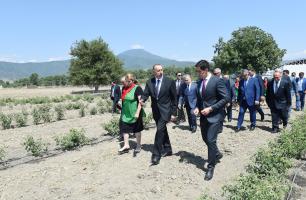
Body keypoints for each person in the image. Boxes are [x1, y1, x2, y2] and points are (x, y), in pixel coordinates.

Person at [194, 60, 228, 181]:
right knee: (205, 138)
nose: (197, 73)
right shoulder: (199, 82)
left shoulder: (217, 81)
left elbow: (225, 98)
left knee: (211, 140)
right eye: (197, 71)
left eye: (199, 71)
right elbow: (199, 99)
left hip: (215, 116)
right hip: (203, 116)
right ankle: (217, 154)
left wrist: (211, 108)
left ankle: (210, 167)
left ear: (206, 70)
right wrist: (197, 108)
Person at [142, 64, 177, 165]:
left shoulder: (170, 81)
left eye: (161, 70)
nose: (160, 72)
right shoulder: (149, 82)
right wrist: (143, 99)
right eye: (158, 70)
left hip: (166, 111)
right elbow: (146, 94)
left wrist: (174, 113)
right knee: (162, 130)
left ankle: (156, 155)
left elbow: (174, 98)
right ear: (154, 71)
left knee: (159, 130)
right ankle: (168, 149)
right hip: (156, 111)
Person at [118, 74, 144, 156]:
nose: (127, 83)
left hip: (135, 112)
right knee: (124, 129)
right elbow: (123, 100)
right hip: (125, 112)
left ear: (133, 81)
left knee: (137, 129)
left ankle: (138, 145)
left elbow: (141, 102)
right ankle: (126, 145)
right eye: (126, 81)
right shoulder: (124, 88)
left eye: (129, 81)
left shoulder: (137, 88)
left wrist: (137, 112)